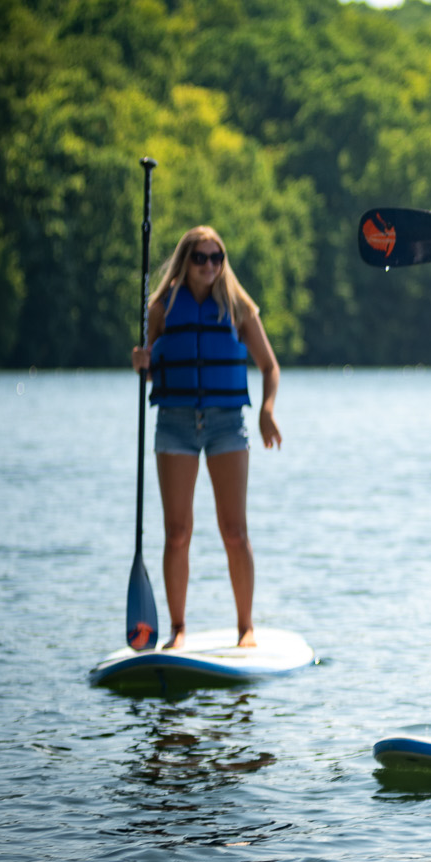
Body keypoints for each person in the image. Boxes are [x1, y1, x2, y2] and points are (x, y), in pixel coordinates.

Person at [130, 225, 283, 650]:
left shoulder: (237, 307)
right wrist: (141, 362)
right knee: (177, 532)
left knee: (234, 531)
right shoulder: (161, 308)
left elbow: (269, 366)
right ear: (185, 260)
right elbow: (148, 364)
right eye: (201, 257)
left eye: (217, 257)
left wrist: (267, 411)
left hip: (225, 423)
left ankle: (245, 627)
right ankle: (178, 630)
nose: (210, 266)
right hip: (175, 423)